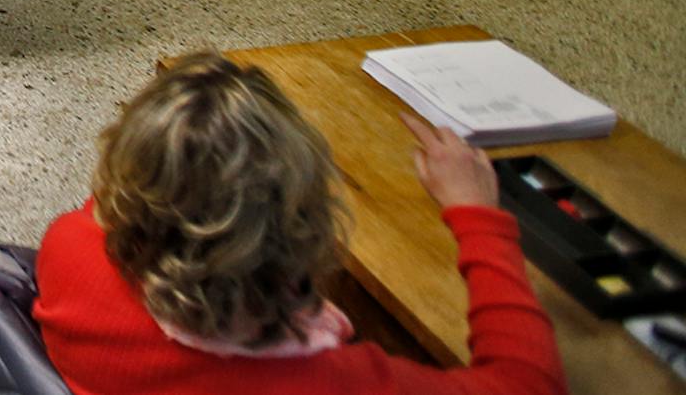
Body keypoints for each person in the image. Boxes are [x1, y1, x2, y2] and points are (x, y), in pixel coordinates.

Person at [33, 53, 567, 395]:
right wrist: (477, 215)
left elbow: (117, 205)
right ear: (302, 223)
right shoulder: (326, 383)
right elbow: (528, 383)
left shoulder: (67, 246)